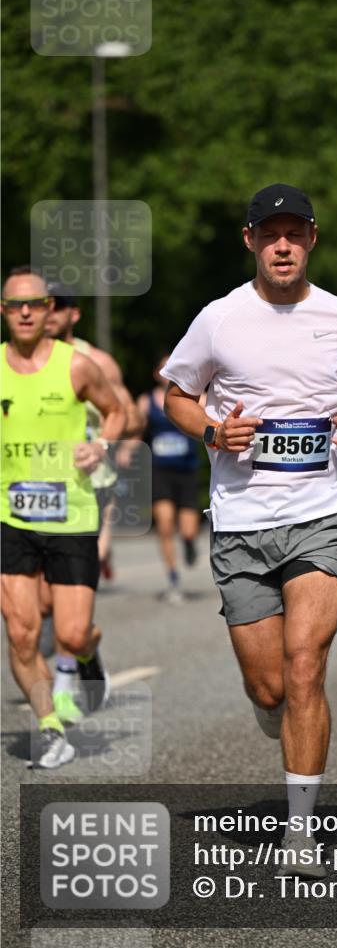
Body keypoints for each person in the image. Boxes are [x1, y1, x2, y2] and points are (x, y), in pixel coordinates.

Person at [160, 184, 337, 873]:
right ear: (250, 240)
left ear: (312, 238)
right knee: (270, 688)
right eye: (269, 233)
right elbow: (176, 395)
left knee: (305, 663)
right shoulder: (218, 319)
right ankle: (274, 711)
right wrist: (213, 431)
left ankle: (300, 832)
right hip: (242, 520)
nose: (282, 245)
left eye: (294, 233)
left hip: (322, 512)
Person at [0, 268, 125, 767]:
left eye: (35, 304)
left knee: (71, 635)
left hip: (71, 515)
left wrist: (101, 446)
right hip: (10, 516)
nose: (26, 313)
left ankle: (88, 656)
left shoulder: (77, 366)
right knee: (21, 632)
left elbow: (116, 411)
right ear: (4, 312)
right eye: (15, 305)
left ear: (50, 308)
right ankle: (51, 728)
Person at [39, 287, 142, 719]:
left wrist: (101, 441)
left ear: (74, 314)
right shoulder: (19, 363)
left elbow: (130, 415)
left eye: (56, 306)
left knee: (66, 590)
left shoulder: (95, 361)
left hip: (87, 487)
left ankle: (64, 685)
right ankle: (85, 646)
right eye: (38, 305)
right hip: (33, 489)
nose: (47, 314)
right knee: (42, 602)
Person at [136, 354, 202, 603]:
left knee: (188, 529)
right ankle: (173, 576)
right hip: (159, 470)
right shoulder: (146, 401)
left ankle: (189, 543)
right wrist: (126, 449)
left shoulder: (196, 398)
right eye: (163, 368)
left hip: (186, 470)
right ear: (156, 374)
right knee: (164, 523)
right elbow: (136, 430)